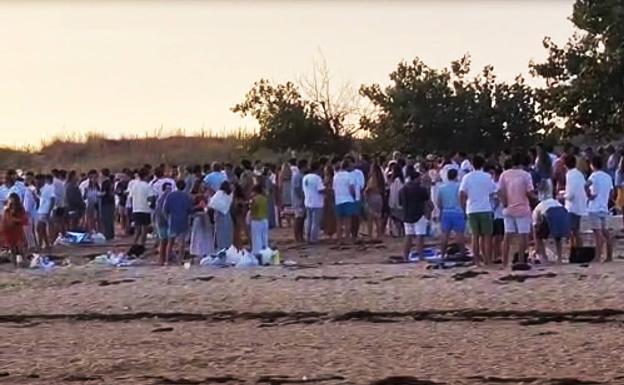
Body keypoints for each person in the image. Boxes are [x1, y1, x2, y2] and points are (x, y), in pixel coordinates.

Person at [498, 152, 535, 268]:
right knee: (523, 236)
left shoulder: (504, 175)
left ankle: (504, 262)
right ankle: (521, 261)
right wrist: (536, 199)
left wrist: (504, 202)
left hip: (508, 208)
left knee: (507, 236)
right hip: (522, 208)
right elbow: (529, 192)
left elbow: (500, 191)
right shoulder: (525, 175)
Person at [460, 155, 496, 266]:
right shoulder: (487, 176)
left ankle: (476, 261)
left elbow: (462, 193)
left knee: (475, 236)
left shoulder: (467, 177)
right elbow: (494, 191)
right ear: (483, 164)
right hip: (485, 208)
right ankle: (487, 260)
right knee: (487, 236)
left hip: (471, 209)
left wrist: (463, 207)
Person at [532, 180, 570, 264]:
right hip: (563, 225)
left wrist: (536, 247)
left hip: (550, 222)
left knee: (537, 234)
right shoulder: (556, 202)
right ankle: (559, 257)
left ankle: (544, 257)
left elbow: (535, 225)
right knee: (557, 237)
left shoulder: (539, 207)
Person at [399, 168, 431, 261]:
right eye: (419, 178)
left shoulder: (403, 189)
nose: (420, 180)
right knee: (420, 236)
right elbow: (428, 202)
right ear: (416, 179)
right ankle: (421, 256)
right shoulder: (421, 189)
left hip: (407, 215)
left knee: (408, 236)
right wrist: (430, 211)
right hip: (419, 215)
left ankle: (405, 256)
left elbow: (400, 203)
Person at [587, 156, 614, 262]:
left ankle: (598, 256)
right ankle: (609, 256)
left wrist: (589, 195)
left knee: (597, 233)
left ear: (592, 165)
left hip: (594, 207)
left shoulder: (593, 176)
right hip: (604, 207)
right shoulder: (607, 177)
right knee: (606, 232)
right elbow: (612, 192)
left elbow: (586, 185)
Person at [437, 168, 465, 258]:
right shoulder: (459, 186)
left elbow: (439, 202)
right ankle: (462, 253)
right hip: (457, 212)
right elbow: (463, 199)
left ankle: (442, 254)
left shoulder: (441, 188)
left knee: (445, 234)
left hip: (446, 212)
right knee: (459, 234)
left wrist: (441, 210)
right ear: (456, 176)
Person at [164, 180, 193, 264]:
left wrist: (167, 219)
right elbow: (190, 210)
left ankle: (167, 260)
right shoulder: (186, 196)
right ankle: (180, 259)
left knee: (170, 242)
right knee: (181, 242)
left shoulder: (170, 196)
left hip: (172, 221)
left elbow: (165, 210)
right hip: (183, 221)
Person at [564, 154, 588, 249]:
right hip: (580, 205)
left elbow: (570, 194)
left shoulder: (569, 175)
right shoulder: (579, 174)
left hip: (572, 207)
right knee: (576, 230)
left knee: (572, 231)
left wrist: (563, 196)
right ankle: (577, 249)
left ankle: (575, 249)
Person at [129, 168, 156, 246]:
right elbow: (151, 198)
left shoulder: (134, 185)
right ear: (145, 176)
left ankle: (134, 244)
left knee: (137, 229)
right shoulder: (147, 186)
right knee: (144, 229)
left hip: (136, 209)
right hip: (145, 209)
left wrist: (134, 206)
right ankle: (142, 244)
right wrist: (151, 205)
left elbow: (131, 197)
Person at [189, 179, 214, 259]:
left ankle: (206, 251)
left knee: (206, 235)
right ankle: (198, 252)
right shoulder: (194, 196)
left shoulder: (207, 195)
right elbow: (190, 209)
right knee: (199, 235)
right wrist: (199, 206)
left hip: (205, 216)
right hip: (198, 217)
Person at [333, 159, 356, 243]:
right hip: (348, 199)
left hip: (338, 200)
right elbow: (351, 188)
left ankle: (339, 239)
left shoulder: (336, 176)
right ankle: (347, 238)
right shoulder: (349, 176)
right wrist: (354, 196)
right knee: (347, 221)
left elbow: (334, 188)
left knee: (339, 222)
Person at [302, 161, 325, 244]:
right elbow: (321, 190)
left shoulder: (305, 177)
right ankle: (314, 238)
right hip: (317, 202)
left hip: (308, 201)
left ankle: (307, 237)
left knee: (309, 220)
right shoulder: (317, 178)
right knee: (315, 221)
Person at [2, 193, 28, 264]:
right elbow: (7, 221)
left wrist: (16, 220)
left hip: (17, 230)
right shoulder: (7, 210)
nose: (12, 205)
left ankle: (25, 263)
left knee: (21, 248)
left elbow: (25, 220)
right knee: (12, 249)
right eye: (11, 203)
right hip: (9, 231)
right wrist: (17, 220)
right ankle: (14, 265)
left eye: (14, 203)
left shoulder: (21, 209)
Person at [210, 181, 234, 250]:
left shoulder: (220, 194)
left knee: (221, 234)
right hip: (225, 215)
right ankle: (226, 248)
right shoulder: (227, 194)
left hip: (220, 215)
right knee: (226, 233)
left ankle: (222, 248)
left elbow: (212, 203)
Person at [365, 161, 386, 241]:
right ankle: (379, 235)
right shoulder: (381, 178)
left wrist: (365, 191)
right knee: (378, 217)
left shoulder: (372, 178)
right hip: (379, 197)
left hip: (372, 197)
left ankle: (370, 235)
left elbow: (369, 188)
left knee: (370, 218)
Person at [154, 182, 173, 265]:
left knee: (163, 241)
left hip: (160, 221)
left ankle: (162, 259)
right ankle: (164, 259)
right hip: (164, 221)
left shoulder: (160, 198)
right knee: (166, 241)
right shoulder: (167, 198)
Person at [36, 174, 56, 250]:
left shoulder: (49, 187)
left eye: (38, 181)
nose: (37, 183)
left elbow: (53, 199)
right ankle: (47, 244)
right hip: (40, 211)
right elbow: (40, 198)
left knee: (39, 228)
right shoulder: (40, 188)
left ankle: (40, 245)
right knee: (42, 229)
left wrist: (49, 211)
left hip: (45, 211)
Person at [348, 157, 366, 239]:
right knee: (348, 217)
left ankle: (355, 233)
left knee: (356, 216)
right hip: (346, 197)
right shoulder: (344, 173)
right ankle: (349, 233)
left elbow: (362, 185)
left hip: (356, 197)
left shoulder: (358, 173)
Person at [250, 183, 269, 253]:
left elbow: (252, 209)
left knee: (256, 238)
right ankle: (266, 252)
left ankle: (257, 253)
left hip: (256, 220)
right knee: (264, 238)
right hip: (265, 219)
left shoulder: (254, 199)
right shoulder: (265, 198)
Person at [291, 159, 307, 243]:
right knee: (298, 219)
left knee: (301, 219)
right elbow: (297, 189)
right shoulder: (298, 176)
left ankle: (300, 236)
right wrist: (301, 197)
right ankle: (297, 236)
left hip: (300, 200)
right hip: (299, 200)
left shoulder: (300, 175)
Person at [387, 162, 405, 237]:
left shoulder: (396, 181)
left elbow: (395, 193)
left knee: (397, 218)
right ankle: (400, 232)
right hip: (399, 203)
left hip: (396, 203)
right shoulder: (401, 180)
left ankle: (399, 232)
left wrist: (393, 203)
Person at [321, 162, 337, 239]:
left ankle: (331, 230)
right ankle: (327, 230)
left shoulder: (332, 179)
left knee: (331, 215)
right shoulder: (324, 178)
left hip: (331, 198)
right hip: (326, 198)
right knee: (326, 215)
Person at [99, 169, 116, 240]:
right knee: (110, 219)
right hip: (111, 202)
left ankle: (107, 235)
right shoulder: (111, 182)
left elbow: (104, 193)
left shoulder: (105, 183)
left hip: (106, 203)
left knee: (106, 219)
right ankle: (111, 234)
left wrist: (97, 194)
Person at [278, 161, 293, 227]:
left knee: (285, 207)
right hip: (290, 189)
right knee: (290, 205)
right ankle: (290, 222)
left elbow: (280, 184)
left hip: (284, 189)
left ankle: (288, 222)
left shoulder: (281, 174)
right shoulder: (291, 173)